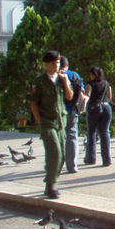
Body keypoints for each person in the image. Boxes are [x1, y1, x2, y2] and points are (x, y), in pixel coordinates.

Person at [28, 50, 72, 199]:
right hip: (47, 122)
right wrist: (40, 122)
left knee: (63, 156)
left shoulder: (61, 79)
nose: (56, 65)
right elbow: (33, 103)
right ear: (46, 64)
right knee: (55, 153)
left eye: (58, 63)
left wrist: (65, 82)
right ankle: (51, 185)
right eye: (53, 63)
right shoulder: (39, 81)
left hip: (61, 121)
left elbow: (69, 97)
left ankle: (50, 183)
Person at [60, 56, 86, 174]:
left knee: (58, 137)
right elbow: (83, 91)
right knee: (72, 136)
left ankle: (57, 165)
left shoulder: (57, 75)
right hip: (73, 109)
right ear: (67, 65)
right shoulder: (74, 75)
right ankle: (72, 166)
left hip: (60, 109)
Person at [83, 66, 113, 167]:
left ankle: (90, 158)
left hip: (93, 108)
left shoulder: (90, 84)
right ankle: (107, 159)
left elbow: (87, 95)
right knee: (105, 132)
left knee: (91, 133)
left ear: (93, 74)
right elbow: (109, 97)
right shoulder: (107, 84)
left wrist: (83, 105)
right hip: (106, 108)